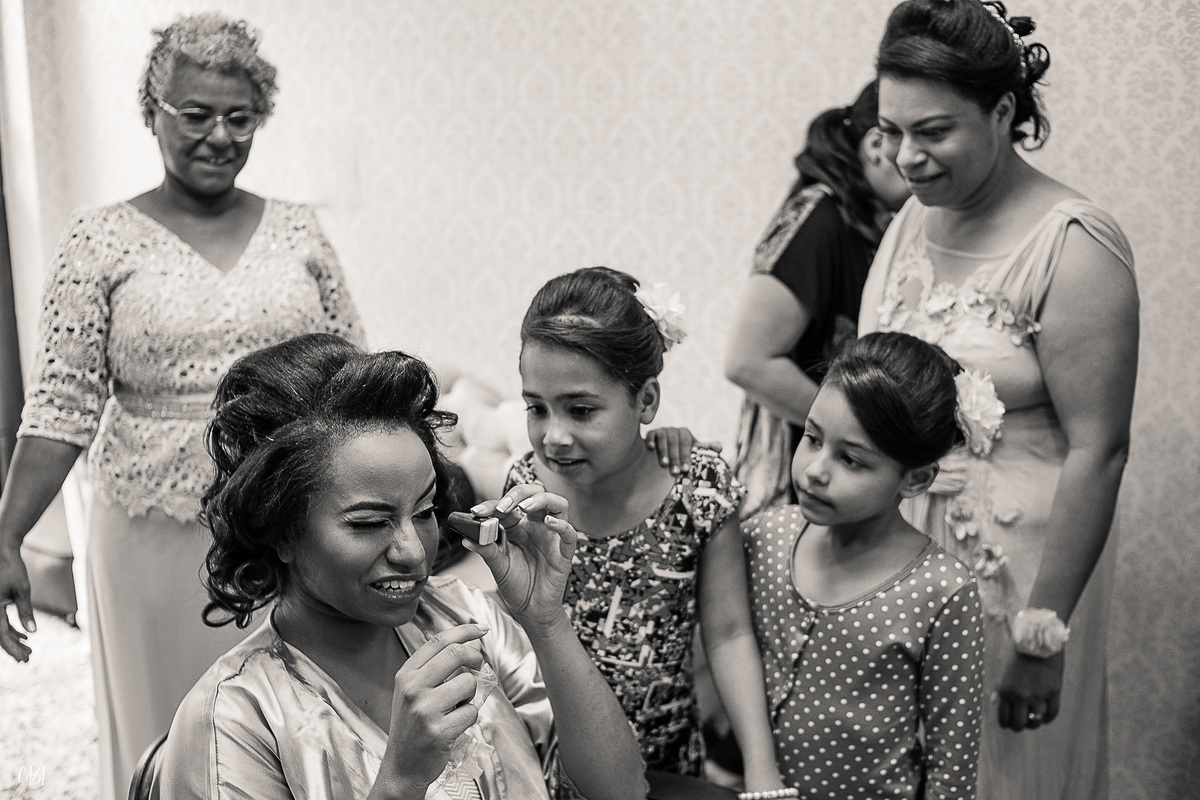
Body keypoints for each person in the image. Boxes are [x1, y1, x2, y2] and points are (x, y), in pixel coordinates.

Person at [0, 13, 364, 799]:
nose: (219, 136)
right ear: (153, 111)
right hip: (150, 531)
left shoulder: (300, 230)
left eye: (240, 118)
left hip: (287, 521)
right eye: (194, 114)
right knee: (170, 732)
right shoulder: (99, 241)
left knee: (293, 727)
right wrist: (7, 535)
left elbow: (350, 376)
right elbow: (60, 406)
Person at [155, 333, 648, 800]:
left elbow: (623, 791)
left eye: (425, 510)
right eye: (370, 523)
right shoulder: (234, 716)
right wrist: (401, 780)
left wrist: (546, 620)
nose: (414, 552)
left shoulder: (464, 617)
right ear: (281, 530)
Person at [860, 2, 1139, 798]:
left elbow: (1101, 450)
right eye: (892, 130)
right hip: (904, 549)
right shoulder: (914, 221)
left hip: (1015, 575)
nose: (907, 157)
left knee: (1000, 775)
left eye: (935, 132)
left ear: (1004, 111)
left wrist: (1041, 636)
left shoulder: (1073, 245)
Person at [503, 267, 781, 787]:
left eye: (581, 410)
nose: (554, 436)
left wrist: (760, 767)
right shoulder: (526, 490)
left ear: (646, 401)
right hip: (551, 762)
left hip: (667, 763)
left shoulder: (699, 488)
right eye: (536, 408)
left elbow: (728, 633)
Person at [742, 331, 985, 799]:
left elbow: (951, 770)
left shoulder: (942, 591)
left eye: (850, 459)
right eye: (812, 438)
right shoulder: (765, 537)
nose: (814, 469)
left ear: (915, 479)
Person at [725, 81, 911, 520]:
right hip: (806, 476)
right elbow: (748, 362)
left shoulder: (873, 223)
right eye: (916, 141)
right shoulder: (819, 218)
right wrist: (864, 438)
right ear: (876, 146)